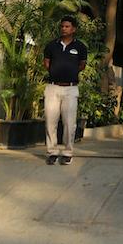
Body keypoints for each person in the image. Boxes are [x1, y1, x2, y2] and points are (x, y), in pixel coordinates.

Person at [42, 16, 87, 165]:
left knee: (69, 123)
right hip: (52, 88)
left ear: (73, 29)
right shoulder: (51, 46)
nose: (64, 29)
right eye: (62, 26)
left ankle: (67, 152)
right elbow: (47, 63)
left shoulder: (80, 47)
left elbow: (82, 65)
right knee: (50, 121)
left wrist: (70, 72)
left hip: (71, 89)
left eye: (67, 26)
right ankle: (52, 152)